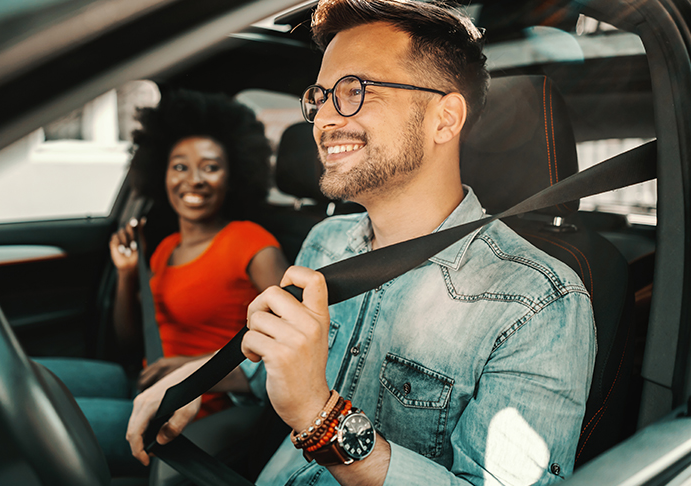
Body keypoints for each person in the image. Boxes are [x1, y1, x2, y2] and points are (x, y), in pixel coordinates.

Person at [125, 2, 596, 485]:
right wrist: (194, 378)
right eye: (321, 95)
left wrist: (321, 416)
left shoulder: (538, 303)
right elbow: (279, 372)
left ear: (444, 118)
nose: (324, 118)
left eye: (356, 90)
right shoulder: (326, 244)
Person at [0, 89, 288, 477]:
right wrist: (126, 274)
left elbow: (287, 345)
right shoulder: (166, 247)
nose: (194, 180)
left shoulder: (252, 243)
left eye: (211, 167)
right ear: (161, 172)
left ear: (234, 174)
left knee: (1, 419)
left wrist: (192, 367)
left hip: (193, 404)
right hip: (142, 381)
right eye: (180, 167)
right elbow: (130, 340)